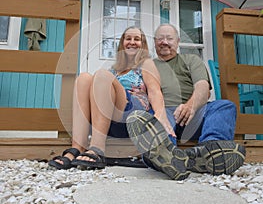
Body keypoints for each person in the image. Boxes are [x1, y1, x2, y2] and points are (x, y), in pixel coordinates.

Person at [48, 26, 181, 173]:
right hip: (109, 121)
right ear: (122, 43)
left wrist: (160, 114)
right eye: (128, 38)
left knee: (102, 76)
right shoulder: (114, 69)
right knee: (83, 79)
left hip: (132, 117)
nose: (132, 42)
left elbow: (155, 91)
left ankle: (97, 148)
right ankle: (77, 147)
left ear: (142, 45)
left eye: (137, 39)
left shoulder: (146, 63)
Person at [126, 23, 246, 180]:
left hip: (194, 114)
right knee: (149, 118)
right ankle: (167, 156)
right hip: (164, 112)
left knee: (225, 106)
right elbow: (133, 86)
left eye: (169, 38)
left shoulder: (191, 60)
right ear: (155, 42)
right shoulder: (148, 65)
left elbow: (203, 87)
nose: (165, 42)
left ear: (177, 41)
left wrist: (191, 106)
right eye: (160, 38)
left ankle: (210, 150)